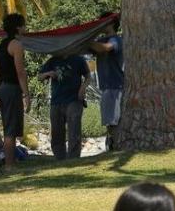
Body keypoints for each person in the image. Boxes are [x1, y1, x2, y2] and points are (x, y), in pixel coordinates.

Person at [0, 12, 29, 168]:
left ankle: (10, 162)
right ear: (18, 27)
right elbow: (20, 72)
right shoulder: (16, 45)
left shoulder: (1, 45)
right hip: (12, 88)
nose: (25, 28)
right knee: (11, 129)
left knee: (9, 126)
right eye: (23, 25)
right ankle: (9, 165)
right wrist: (26, 94)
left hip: (2, 88)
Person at [38, 52, 90, 160]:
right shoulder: (53, 60)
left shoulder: (78, 59)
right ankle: (59, 157)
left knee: (74, 128)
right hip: (56, 100)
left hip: (74, 99)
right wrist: (48, 73)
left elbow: (88, 76)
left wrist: (83, 87)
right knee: (57, 130)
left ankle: (73, 158)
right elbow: (39, 77)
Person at [88, 13, 124, 141]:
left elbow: (105, 48)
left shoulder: (116, 40)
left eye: (103, 21)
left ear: (111, 23)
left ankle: (115, 144)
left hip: (115, 85)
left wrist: (88, 40)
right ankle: (112, 144)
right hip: (105, 86)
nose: (100, 24)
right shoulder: (100, 40)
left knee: (113, 121)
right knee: (109, 120)